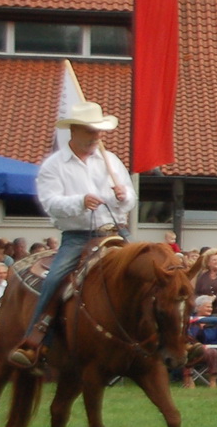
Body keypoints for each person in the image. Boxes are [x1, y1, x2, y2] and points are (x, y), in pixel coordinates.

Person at [9, 98, 136, 372]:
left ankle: (157, 339)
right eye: (91, 131)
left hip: (114, 232)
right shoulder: (54, 166)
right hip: (78, 237)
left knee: (151, 271)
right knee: (54, 279)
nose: (97, 136)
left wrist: (124, 197)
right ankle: (34, 341)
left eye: (99, 131)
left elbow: (129, 201)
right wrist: (80, 201)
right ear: (74, 131)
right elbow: (50, 202)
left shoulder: (110, 160)